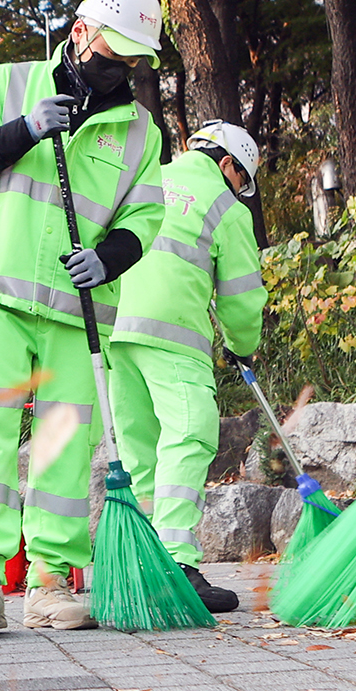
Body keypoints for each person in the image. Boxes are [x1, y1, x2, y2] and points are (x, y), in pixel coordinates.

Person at [0, 0, 166, 633]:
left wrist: (108, 259)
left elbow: (146, 215)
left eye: (131, 62)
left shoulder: (140, 131)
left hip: (78, 311)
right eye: (111, 55)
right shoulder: (7, 83)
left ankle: (50, 581)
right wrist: (24, 129)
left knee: (65, 450)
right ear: (80, 34)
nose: (118, 70)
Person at [108, 123, 263, 612]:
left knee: (140, 452)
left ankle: (141, 568)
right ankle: (175, 562)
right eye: (241, 180)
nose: (240, 190)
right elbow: (240, 297)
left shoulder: (146, 178)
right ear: (226, 165)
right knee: (190, 436)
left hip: (117, 334)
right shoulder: (224, 206)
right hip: (173, 337)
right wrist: (243, 346)